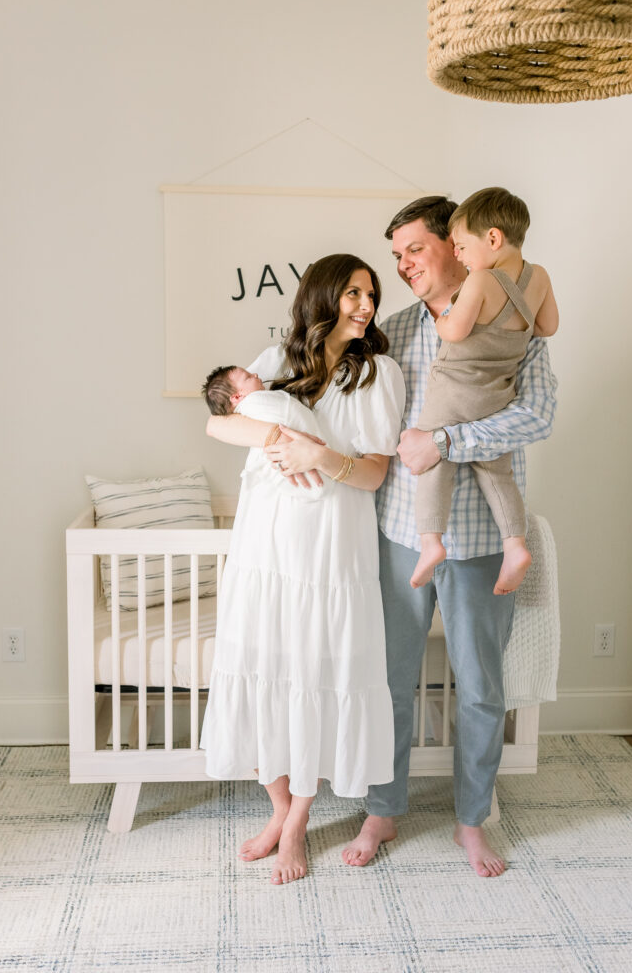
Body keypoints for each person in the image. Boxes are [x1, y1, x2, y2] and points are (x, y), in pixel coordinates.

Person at [341, 196, 557, 877]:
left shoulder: (513, 317)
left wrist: (446, 440)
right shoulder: (393, 334)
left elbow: (538, 414)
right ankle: (382, 808)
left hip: (482, 541)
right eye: (396, 254)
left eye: (414, 249)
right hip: (402, 535)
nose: (403, 265)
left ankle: (471, 819)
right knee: (388, 681)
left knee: (482, 688)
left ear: (457, 246)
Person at [200, 253, 406, 886]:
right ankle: (278, 808)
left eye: (371, 292)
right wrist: (274, 441)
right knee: (263, 670)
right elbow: (217, 421)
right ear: (323, 296)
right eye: (352, 292)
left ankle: (297, 827)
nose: (365, 304)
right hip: (265, 542)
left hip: (330, 544)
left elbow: (375, 471)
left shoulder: (378, 373)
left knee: (314, 677)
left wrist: (319, 452)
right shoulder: (274, 362)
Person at [411, 187, 559, 592]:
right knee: (498, 472)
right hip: (497, 395)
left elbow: (455, 331)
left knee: (431, 461)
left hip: (455, 390)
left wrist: (444, 315)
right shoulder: (540, 276)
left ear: (492, 239)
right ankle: (515, 544)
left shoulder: (479, 281)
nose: (457, 254)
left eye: (460, 246)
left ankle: (430, 542)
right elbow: (546, 328)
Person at [201, 364, 330, 499]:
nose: (255, 375)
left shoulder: (252, 405)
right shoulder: (253, 403)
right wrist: (280, 437)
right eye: (248, 377)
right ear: (237, 397)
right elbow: (213, 425)